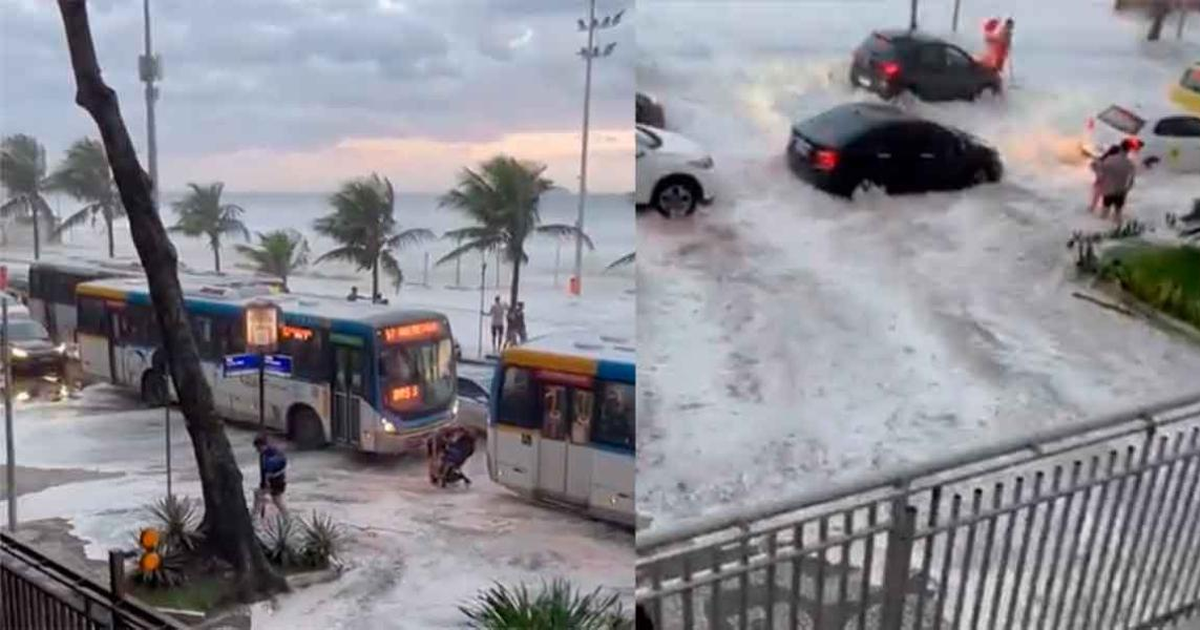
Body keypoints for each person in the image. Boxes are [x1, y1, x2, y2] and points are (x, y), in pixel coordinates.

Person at [1092, 139, 1137, 223]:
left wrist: (1099, 179)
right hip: (1121, 192)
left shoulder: (1109, 160)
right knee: (1118, 216)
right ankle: (1119, 232)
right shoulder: (1130, 163)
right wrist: (1126, 190)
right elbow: (1131, 181)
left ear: (1120, 147)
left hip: (1108, 191)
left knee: (1103, 216)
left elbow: (1098, 169)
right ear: (1129, 150)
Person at [253, 435, 288, 518]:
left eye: (258, 448)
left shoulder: (272, 454)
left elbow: (269, 470)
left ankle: (254, 516)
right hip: (274, 481)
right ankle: (287, 518)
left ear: (262, 445)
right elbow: (263, 472)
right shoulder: (264, 454)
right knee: (276, 500)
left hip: (276, 481)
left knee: (261, 495)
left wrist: (267, 481)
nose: (257, 450)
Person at [1089, 144, 1122, 212]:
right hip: (1110, 183)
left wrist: (1097, 172)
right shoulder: (1117, 161)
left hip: (1100, 181)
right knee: (1109, 200)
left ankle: (1092, 209)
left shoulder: (1103, 159)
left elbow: (1092, 166)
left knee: (1096, 198)